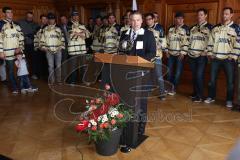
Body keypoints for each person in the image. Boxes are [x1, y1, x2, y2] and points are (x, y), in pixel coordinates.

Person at [119, 11, 156, 153]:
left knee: (141, 104)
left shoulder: (148, 35)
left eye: (138, 20)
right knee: (127, 103)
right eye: (132, 20)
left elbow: (152, 53)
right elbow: (120, 52)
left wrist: (138, 62)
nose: (135, 23)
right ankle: (125, 132)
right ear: (129, 21)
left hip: (142, 75)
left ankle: (138, 132)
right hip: (126, 76)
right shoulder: (124, 34)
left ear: (142, 21)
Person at [204, 7, 240, 108]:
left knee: (230, 82)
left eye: (227, 14)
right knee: (212, 80)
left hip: (228, 59)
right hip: (216, 58)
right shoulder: (216, 28)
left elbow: (238, 44)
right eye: (223, 14)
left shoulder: (236, 28)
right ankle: (211, 97)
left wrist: (233, 56)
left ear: (231, 15)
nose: (224, 16)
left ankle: (229, 100)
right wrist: (210, 53)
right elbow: (210, 41)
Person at [188, 8, 213, 102]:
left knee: (199, 75)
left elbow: (212, 41)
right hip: (192, 55)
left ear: (206, 15)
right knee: (194, 75)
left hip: (202, 56)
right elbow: (189, 40)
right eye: (198, 15)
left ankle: (200, 96)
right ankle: (195, 93)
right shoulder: (193, 28)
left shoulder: (210, 27)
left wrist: (206, 51)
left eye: (201, 15)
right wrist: (188, 51)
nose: (199, 17)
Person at [0, 6, 24, 94]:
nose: (10, 14)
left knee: (20, 69)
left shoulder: (17, 25)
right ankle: (14, 86)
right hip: (8, 52)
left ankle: (22, 85)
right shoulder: (1, 24)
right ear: (4, 14)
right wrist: (1, 51)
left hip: (18, 52)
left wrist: (20, 47)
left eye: (11, 12)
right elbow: (0, 39)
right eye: (8, 12)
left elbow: (21, 38)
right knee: (10, 70)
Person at [166, 12, 189, 95]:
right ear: (175, 19)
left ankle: (173, 89)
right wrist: (167, 51)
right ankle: (168, 87)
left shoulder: (186, 29)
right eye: (177, 18)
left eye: (180, 18)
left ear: (183, 19)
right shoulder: (171, 28)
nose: (178, 20)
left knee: (177, 73)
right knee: (169, 72)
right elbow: (167, 40)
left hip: (180, 54)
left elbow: (187, 42)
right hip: (170, 54)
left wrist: (183, 53)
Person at [145, 13, 167, 100]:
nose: (148, 21)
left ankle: (162, 93)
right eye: (146, 19)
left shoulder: (159, 28)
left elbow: (163, 43)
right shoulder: (145, 29)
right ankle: (148, 91)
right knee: (148, 75)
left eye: (150, 19)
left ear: (153, 19)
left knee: (159, 76)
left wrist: (155, 46)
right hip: (147, 57)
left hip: (157, 56)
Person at [40, 13, 65, 84]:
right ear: (48, 20)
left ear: (54, 20)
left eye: (53, 19)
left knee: (58, 66)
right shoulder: (45, 29)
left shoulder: (58, 29)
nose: (51, 21)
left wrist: (61, 47)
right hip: (49, 51)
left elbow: (62, 39)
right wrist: (44, 48)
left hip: (58, 50)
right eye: (50, 19)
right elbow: (42, 40)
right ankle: (52, 81)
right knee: (50, 66)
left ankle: (59, 80)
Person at [67, 10, 90, 85]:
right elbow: (71, 36)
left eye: (77, 15)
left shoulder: (82, 25)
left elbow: (88, 35)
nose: (76, 17)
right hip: (73, 50)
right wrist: (81, 33)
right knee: (73, 67)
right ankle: (72, 81)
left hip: (82, 49)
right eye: (74, 16)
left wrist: (78, 33)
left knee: (83, 66)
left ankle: (85, 80)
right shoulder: (69, 25)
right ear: (71, 17)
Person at [18, 11, 39, 80]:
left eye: (31, 17)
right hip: (24, 45)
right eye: (28, 17)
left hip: (32, 45)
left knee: (33, 61)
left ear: (32, 17)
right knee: (24, 60)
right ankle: (24, 75)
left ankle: (33, 74)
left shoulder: (36, 24)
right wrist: (25, 36)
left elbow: (38, 34)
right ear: (26, 16)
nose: (29, 18)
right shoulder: (20, 22)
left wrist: (33, 35)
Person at [34, 14, 48, 79]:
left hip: (46, 49)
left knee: (47, 63)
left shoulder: (49, 28)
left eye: (45, 19)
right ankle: (39, 75)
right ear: (40, 20)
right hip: (39, 48)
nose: (44, 20)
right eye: (43, 19)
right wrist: (36, 47)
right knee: (39, 62)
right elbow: (35, 38)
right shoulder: (37, 28)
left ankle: (47, 76)